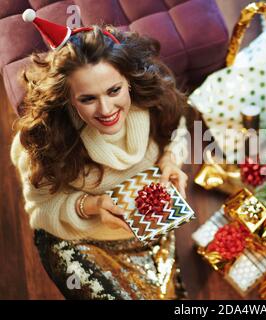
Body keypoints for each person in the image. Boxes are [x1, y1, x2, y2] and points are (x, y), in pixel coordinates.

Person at [10, 9, 190, 299]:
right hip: (82, 238)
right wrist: (89, 206)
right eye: (88, 99)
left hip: (148, 227)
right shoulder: (43, 138)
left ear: (129, 80)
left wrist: (170, 158)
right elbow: (40, 210)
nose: (106, 111)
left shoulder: (154, 98)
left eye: (114, 90)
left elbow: (179, 129)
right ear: (68, 98)